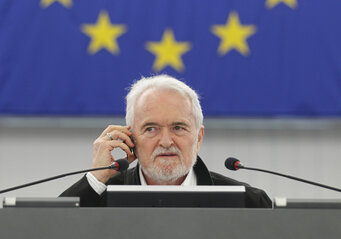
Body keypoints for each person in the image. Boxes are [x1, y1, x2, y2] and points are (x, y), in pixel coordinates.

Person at [61, 74, 271, 207]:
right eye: (151, 129)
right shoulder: (99, 200)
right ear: (130, 138)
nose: (166, 141)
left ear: (198, 138)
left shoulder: (248, 203)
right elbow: (46, 229)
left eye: (178, 128)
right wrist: (96, 179)